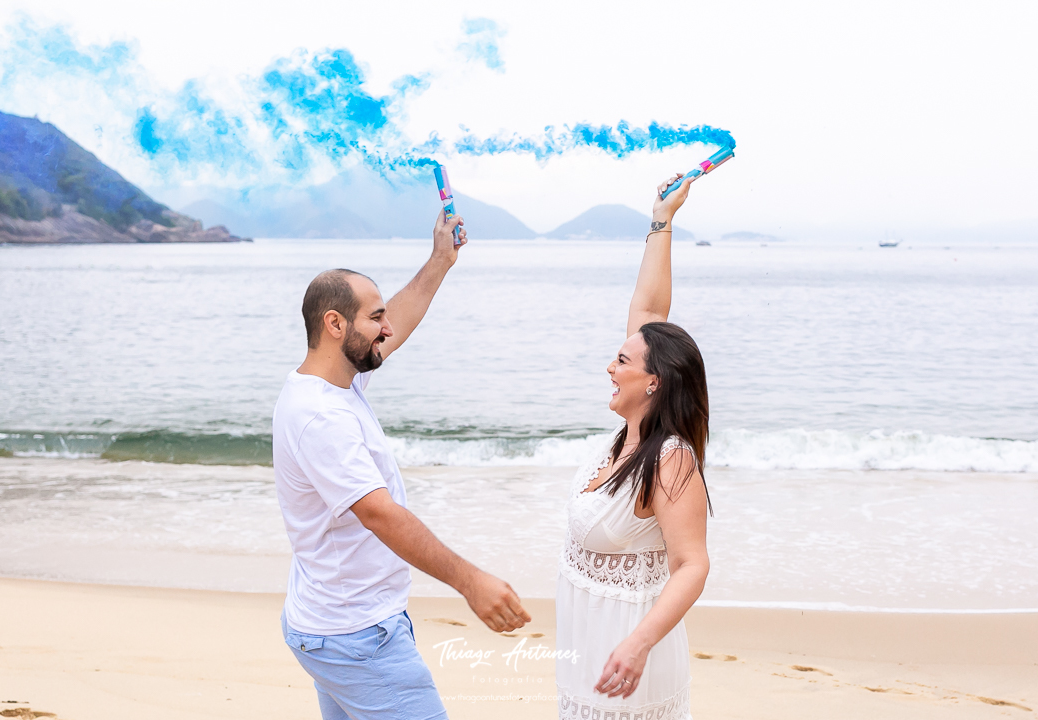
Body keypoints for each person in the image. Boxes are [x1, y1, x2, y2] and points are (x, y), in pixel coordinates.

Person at [273, 210, 531, 720]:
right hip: (355, 637)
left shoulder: (337, 383)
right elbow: (380, 515)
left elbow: (399, 326)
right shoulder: (321, 415)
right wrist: (470, 581)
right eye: (374, 318)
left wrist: (440, 262)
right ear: (334, 324)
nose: (387, 329)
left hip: (332, 624)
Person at [556, 173, 712, 720]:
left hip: (630, 663)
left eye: (621, 361)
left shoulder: (671, 458)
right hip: (588, 656)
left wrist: (638, 644)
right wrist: (662, 219)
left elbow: (692, 564)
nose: (609, 366)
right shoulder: (624, 441)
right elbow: (648, 309)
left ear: (654, 383)